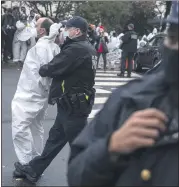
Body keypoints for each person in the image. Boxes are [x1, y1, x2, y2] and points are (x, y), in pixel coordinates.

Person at [67, 1, 178, 186]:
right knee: (126, 65)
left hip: (125, 54)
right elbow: (78, 174)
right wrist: (111, 148)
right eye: (173, 38)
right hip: (127, 56)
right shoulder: (131, 99)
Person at [14, 16, 96, 183]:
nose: (65, 31)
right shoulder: (85, 47)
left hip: (74, 107)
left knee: (80, 146)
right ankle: (33, 170)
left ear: (77, 31)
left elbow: (49, 69)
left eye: (68, 28)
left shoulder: (76, 49)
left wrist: (41, 64)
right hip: (70, 105)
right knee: (54, 141)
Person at [12, 18, 61, 176]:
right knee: (35, 127)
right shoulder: (52, 46)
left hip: (30, 94)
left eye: (37, 25)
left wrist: (41, 90)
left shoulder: (42, 47)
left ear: (41, 31)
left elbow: (44, 73)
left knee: (19, 127)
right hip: (38, 94)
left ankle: (27, 163)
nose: (34, 27)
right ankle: (36, 160)